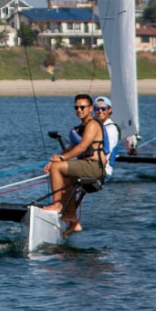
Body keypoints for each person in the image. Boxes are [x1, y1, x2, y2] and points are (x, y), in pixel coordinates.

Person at [43, 94, 105, 233]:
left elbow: (82, 147)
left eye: (82, 107)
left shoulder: (93, 125)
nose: (79, 110)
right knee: (61, 171)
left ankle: (57, 205)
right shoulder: (79, 128)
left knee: (57, 167)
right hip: (85, 164)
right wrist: (56, 158)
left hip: (94, 166)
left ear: (90, 109)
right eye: (76, 107)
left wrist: (59, 160)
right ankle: (72, 219)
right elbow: (71, 148)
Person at [94, 95, 122, 178]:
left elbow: (106, 153)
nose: (100, 111)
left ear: (109, 110)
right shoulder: (94, 126)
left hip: (103, 170)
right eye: (97, 109)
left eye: (103, 109)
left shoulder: (111, 129)